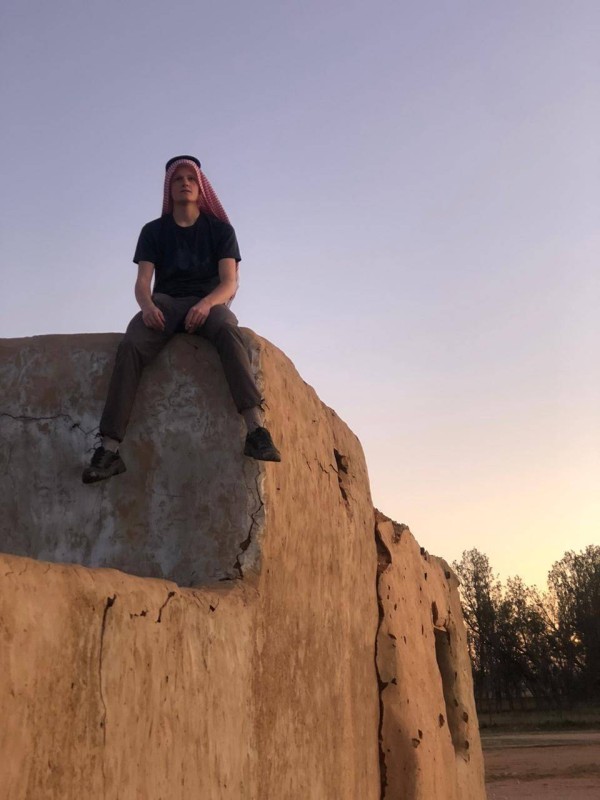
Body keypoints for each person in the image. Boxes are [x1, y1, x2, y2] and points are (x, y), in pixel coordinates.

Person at [82, 155, 280, 484]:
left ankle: (256, 431)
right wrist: (147, 306)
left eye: (191, 178)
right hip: (166, 303)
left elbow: (229, 282)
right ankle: (109, 450)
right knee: (131, 345)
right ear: (169, 187)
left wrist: (206, 304)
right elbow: (142, 282)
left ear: (200, 187)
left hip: (208, 302)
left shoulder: (220, 230)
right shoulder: (153, 231)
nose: (184, 183)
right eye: (178, 179)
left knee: (229, 331)